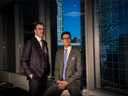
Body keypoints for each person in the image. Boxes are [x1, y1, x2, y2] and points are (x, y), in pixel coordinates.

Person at [43, 32, 83, 96]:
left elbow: (79, 71)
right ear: (62, 40)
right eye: (64, 38)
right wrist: (58, 81)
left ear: (70, 39)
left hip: (73, 82)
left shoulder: (77, 52)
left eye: (68, 38)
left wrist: (66, 82)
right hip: (60, 81)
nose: (66, 40)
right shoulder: (58, 52)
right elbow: (56, 69)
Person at [21, 22, 50, 96]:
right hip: (34, 76)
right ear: (35, 30)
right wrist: (30, 74)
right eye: (39, 29)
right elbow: (23, 60)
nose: (42, 31)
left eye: (43, 29)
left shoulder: (45, 43)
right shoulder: (30, 42)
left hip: (44, 75)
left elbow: (45, 58)